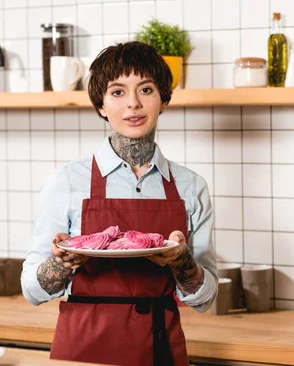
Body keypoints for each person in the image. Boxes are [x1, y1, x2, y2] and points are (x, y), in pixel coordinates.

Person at [21, 41, 218, 366]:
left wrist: (182, 262)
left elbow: (206, 298)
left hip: (161, 344)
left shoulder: (191, 187)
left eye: (146, 89)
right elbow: (32, 290)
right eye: (117, 92)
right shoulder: (68, 181)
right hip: (83, 347)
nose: (133, 104)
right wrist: (61, 263)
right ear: (100, 104)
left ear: (164, 100)